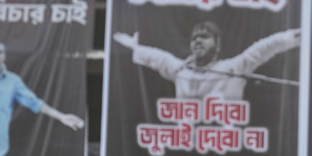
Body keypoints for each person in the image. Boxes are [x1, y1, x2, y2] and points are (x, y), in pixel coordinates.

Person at [112, 22, 300, 101]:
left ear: (218, 45)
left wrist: (290, 37)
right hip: (185, 145)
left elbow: (262, 49)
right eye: (194, 38)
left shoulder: (232, 68)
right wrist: (135, 48)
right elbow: (159, 58)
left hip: (227, 145)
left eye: (204, 36)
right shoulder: (180, 71)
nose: (198, 41)